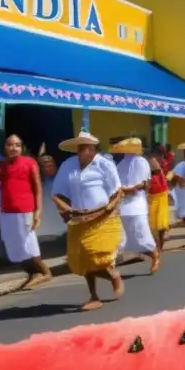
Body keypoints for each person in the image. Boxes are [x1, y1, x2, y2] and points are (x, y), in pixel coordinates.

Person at [51, 131, 125, 311]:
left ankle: (113, 274)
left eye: (84, 147)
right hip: (79, 218)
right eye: (79, 147)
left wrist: (109, 207)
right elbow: (56, 194)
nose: (80, 151)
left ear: (93, 149)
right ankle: (93, 295)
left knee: (97, 254)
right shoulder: (68, 165)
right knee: (83, 259)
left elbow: (118, 192)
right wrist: (67, 209)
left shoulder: (104, 165)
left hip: (103, 217)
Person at [0, 134, 53, 290]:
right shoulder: (1, 165)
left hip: (25, 211)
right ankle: (32, 273)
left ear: (22, 148)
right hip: (7, 212)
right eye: (9, 145)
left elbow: (37, 189)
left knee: (28, 245)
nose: (13, 148)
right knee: (14, 248)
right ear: (5, 148)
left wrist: (38, 212)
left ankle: (44, 272)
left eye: (17, 145)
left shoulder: (29, 163)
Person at [112, 137, 160, 274]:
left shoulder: (142, 162)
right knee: (122, 237)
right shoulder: (120, 164)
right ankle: (110, 265)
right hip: (123, 205)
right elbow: (117, 184)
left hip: (137, 205)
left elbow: (144, 184)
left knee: (141, 235)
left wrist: (130, 189)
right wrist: (123, 190)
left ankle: (155, 255)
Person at [36, 149, 66, 241]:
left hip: (63, 231)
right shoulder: (39, 183)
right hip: (43, 234)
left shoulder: (63, 180)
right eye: (45, 166)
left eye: (51, 165)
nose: (49, 168)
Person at [146, 153, 171, 253]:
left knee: (161, 223)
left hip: (161, 196)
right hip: (153, 197)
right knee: (153, 223)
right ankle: (157, 244)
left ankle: (159, 245)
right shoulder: (148, 176)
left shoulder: (160, 173)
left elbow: (164, 183)